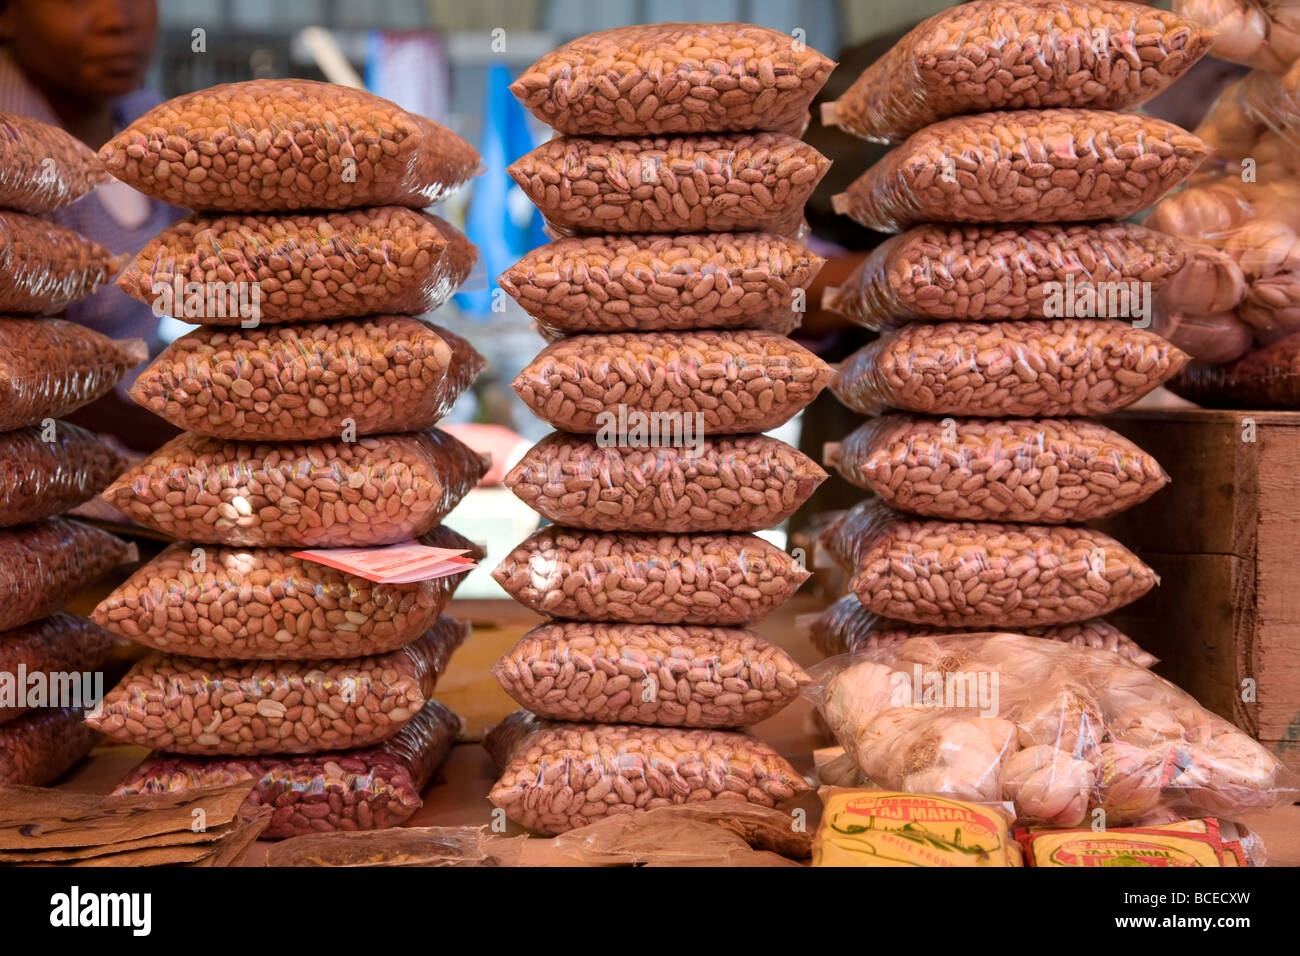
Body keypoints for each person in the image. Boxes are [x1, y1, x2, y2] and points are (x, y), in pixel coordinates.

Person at [0, 0, 182, 450]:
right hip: (56, 456)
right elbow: (41, 378)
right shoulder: (13, 156)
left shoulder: (140, 109)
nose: (117, 20)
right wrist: (197, 441)